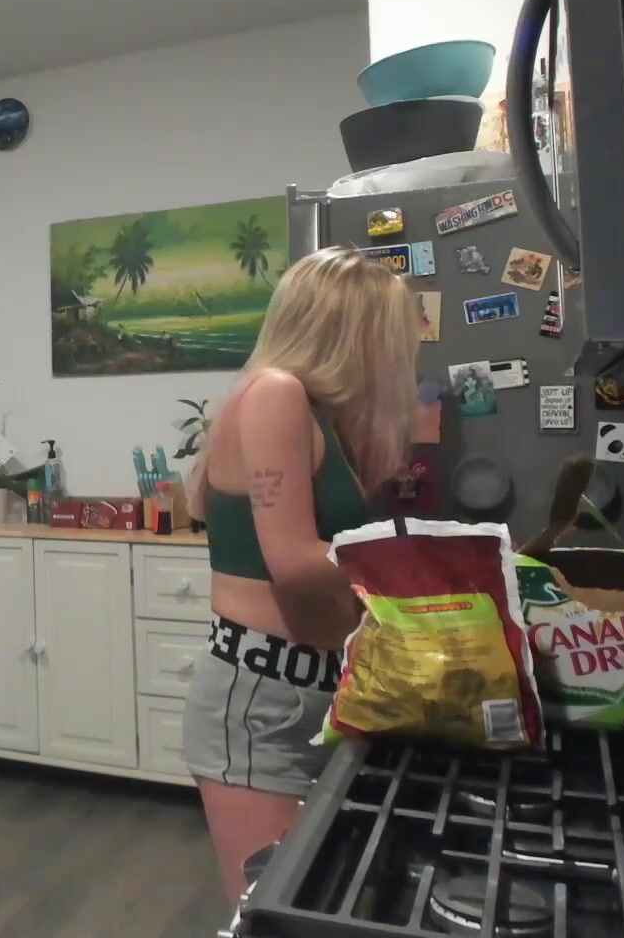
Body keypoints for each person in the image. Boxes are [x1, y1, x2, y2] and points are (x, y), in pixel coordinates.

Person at [180, 246, 418, 904]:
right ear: (353, 331)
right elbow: (292, 560)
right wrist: (420, 571)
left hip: (307, 690)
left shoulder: (315, 415)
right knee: (275, 915)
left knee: (318, 901)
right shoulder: (276, 394)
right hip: (262, 696)